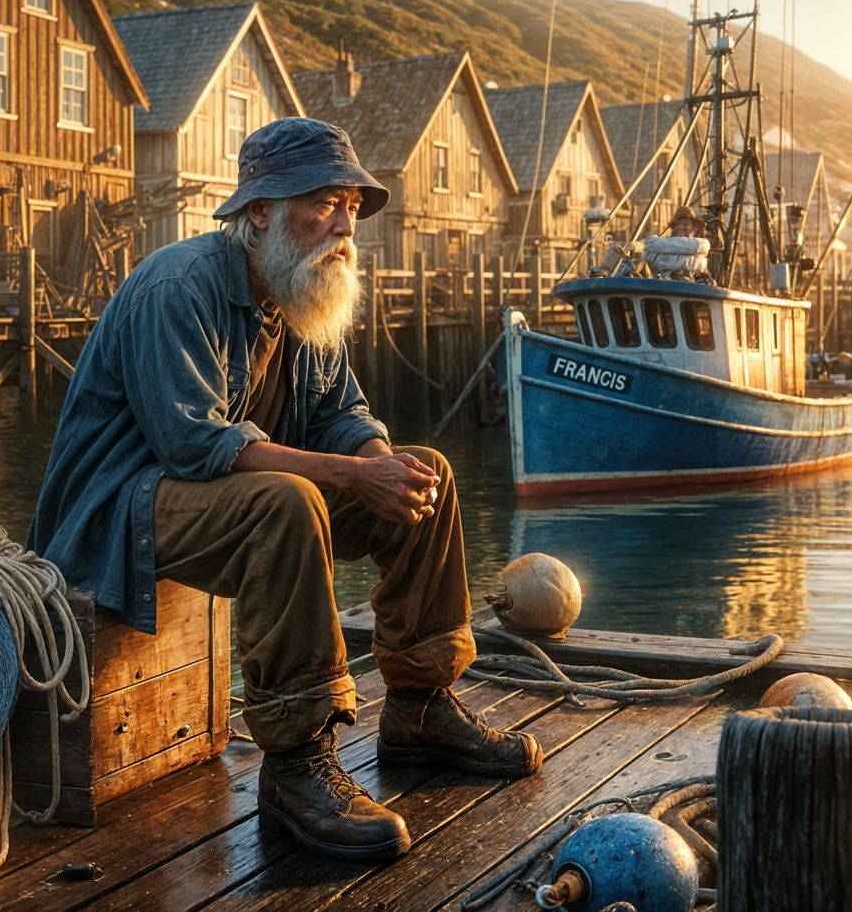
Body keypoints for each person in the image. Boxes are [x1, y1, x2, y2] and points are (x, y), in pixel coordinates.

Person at [27, 118, 540, 862]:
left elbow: (342, 413)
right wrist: (357, 475)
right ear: (260, 211)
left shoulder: (301, 290)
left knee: (426, 470)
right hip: (118, 512)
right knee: (288, 501)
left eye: (353, 209)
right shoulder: (179, 285)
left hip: (211, 499)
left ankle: (420, 704)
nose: (345, 225)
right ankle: (297, 760)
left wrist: (382, 465)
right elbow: (195, 445)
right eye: (326, 203)